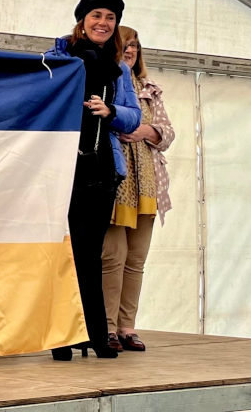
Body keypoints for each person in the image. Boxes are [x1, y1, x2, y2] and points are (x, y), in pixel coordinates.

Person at [47, 0, 141, 360]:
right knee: (63, 251)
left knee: (91, 252)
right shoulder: (58, 57)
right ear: (82, 20)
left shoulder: (119, 67)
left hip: (101, 166)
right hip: (60, 167)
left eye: (110, 18)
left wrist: (111, 109)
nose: (103, 23)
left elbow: (135, 116)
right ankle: (61, 335)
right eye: (96, 15)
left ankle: (94, 333)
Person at [101, 27, 175, 352]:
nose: (129, 51)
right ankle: (105, 328)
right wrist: (125, 124)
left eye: (134, 46)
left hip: (148, 185)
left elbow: (169, 134)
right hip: (116, 184)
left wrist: (145, 129)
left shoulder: (150, 89)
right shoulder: (104, 83)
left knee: (136, 260)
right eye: (123, 45)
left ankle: (127, 327)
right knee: (111, 258)